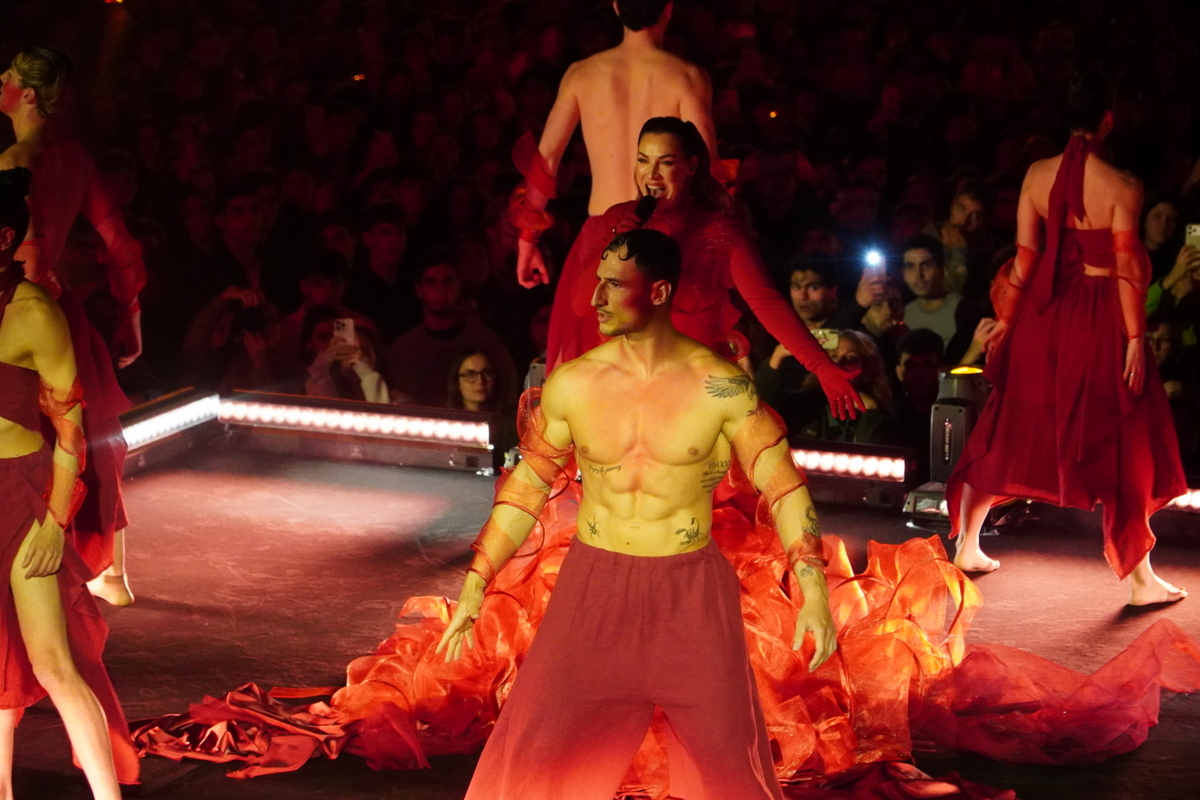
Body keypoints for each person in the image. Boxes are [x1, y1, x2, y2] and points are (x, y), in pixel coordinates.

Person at [437, 230, 835, 799]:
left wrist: (813, 589)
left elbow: (786, 488)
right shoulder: (574, 383)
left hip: (689, 596)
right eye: (596, 282)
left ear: (658, 292)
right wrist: (477, 581)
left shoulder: (720, 386)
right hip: (594, 589)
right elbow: (526, 486)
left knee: (729, 767)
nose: (595, 298)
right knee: (537, 756)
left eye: (614, 284)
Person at [947, 72, 1187, 605]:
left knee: (1014, 428)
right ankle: (1142, 579)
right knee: (1126, 436)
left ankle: (967, 542)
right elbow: (1126, 266)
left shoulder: (1036, 175)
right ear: (1109, 117)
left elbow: (1027, 258)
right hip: (1100, 319)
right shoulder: (1123, 184)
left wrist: (1009, 318)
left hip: (1044, 314)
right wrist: (1134, 338)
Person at [544, 117, 863, 419]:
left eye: (665, 162)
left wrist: (821, 366)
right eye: (643, 160)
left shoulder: (720, 232)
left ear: (691, 167)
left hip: (692, 394)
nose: (651, 174)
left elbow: (766, 302)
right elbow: (579, 304)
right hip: (621, 393)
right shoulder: (613, 221)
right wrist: (614, 246)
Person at [0, 167, 137, 798]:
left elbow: (72, 430)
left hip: (20, 497)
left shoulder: (33, 314)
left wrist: (55, 523)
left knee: (53, 662)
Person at [0, 47, 142, 606]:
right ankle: (114, 572)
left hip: (21, 314)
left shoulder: (14, 160)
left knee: (36, 444)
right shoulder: (76, 156)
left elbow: (21, 253)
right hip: (64, 315)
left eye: (7, 75)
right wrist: (132, 320)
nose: (0, 80)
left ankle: (37, 562)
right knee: (98, 437)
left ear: (28, 94)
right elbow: (122, 245)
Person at [509, 0, 719, 289]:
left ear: (617, 7)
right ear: (668, 8)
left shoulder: (581, 74)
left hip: (602, 234)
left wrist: (527, 241)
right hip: (663, 237)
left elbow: (546, 161)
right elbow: (707, 169)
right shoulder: (686, 77)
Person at [386, 252, 518, 408]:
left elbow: (508, 401)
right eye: (431, 282)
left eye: (447, 281)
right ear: (419, 289)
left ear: (459, 285)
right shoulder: (402, 350)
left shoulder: (488, 343)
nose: (440, 290)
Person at [899, 233, 983, 364]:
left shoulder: (967, 312)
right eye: (910, 266)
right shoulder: (901, 314)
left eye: (926, 265)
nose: (918, 274)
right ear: (903, 273)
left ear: (941, 268)